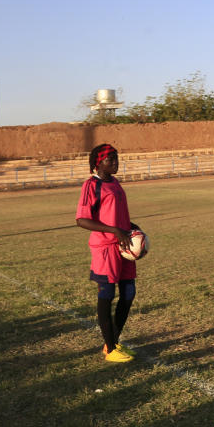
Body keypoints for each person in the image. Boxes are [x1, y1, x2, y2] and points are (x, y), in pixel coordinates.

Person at [75, 144, 142, 363]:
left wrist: (133, 228)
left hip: (123, 247)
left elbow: (116, 216)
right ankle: (111, 348)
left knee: (129, 293)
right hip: (105, 248)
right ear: (98, 162)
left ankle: (111, 342)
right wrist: (114, 230)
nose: (115, 162)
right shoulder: (91, 185)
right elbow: (82, 220)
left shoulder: (115, 182)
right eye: (110, 159)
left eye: (116, 158)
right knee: (107, 295)